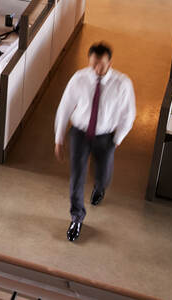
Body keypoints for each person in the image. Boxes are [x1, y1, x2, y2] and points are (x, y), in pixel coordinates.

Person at [54, 42, 136, 242]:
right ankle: (77, 217)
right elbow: (65, 107)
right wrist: (59, 138)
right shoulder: (79, 78)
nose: (96, 69)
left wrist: (118, 139)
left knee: (103, 175)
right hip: (80, 133)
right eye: (93, 64)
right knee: (77, 177)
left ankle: (100, 187)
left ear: (110, 62)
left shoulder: (122, 84)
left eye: (100, 65)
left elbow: (129, 114)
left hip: (105, 137)